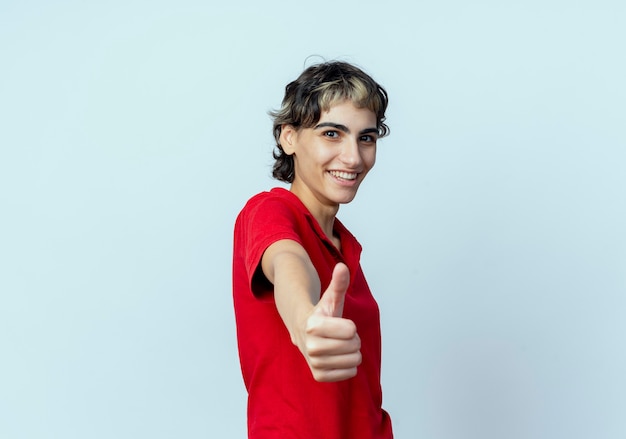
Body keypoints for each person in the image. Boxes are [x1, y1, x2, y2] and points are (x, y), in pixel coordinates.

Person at [232, 61, 393, 439]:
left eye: (366, 138)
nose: (354, 157)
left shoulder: (346, 249)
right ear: (289, 138)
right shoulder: (269, 212)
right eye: (332, 133)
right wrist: (305, 321)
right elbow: (287, 262)